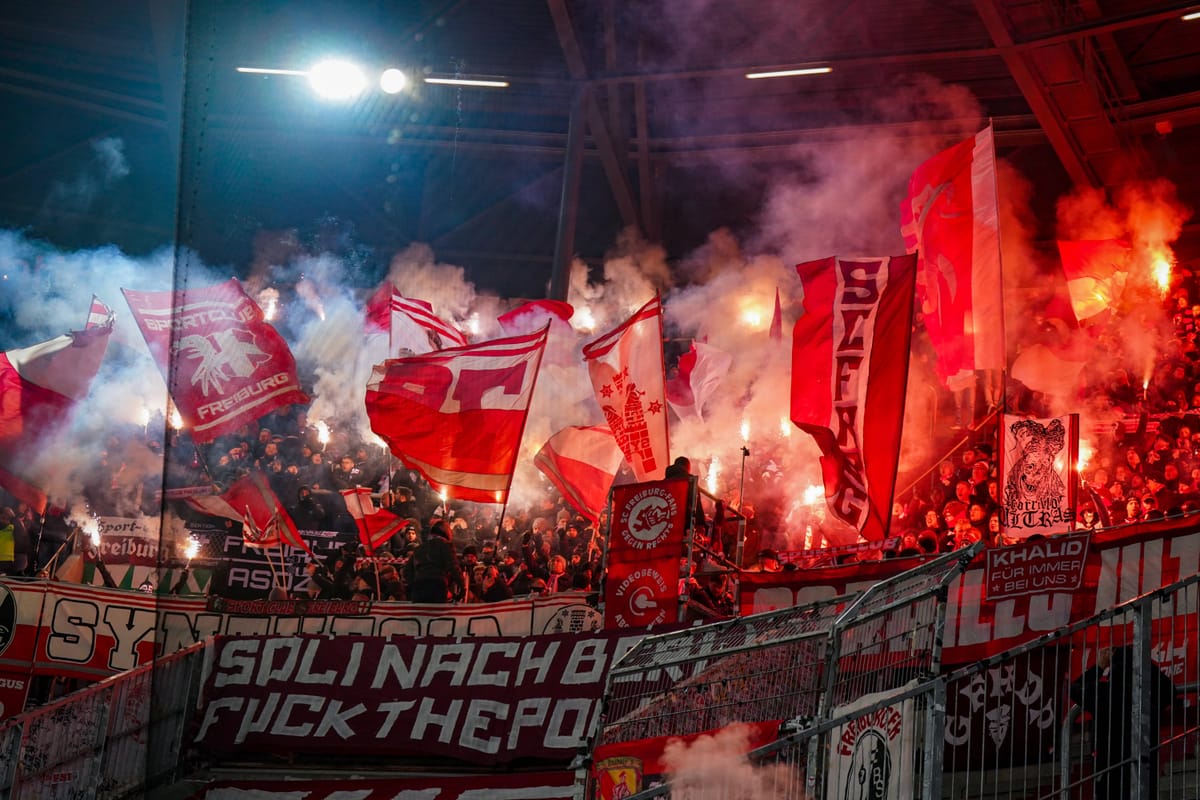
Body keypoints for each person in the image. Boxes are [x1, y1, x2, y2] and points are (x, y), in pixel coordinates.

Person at [1069, 645, 1176, 800]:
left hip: (1108, 771)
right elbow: (1170, 691)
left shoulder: (1103, 693)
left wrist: (1099, 666)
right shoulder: (1145, 698)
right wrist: (1143, 663)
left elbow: (1075, 688)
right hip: (1142, 770)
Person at [404, 520, 463, 603]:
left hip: (418, 589)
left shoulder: (420, 548)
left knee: (421, 615)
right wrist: (462, 586)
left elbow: (407, 571)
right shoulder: (446, 545)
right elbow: (453, 567)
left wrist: (414, 585)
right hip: (437, 588)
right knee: (436, 614)